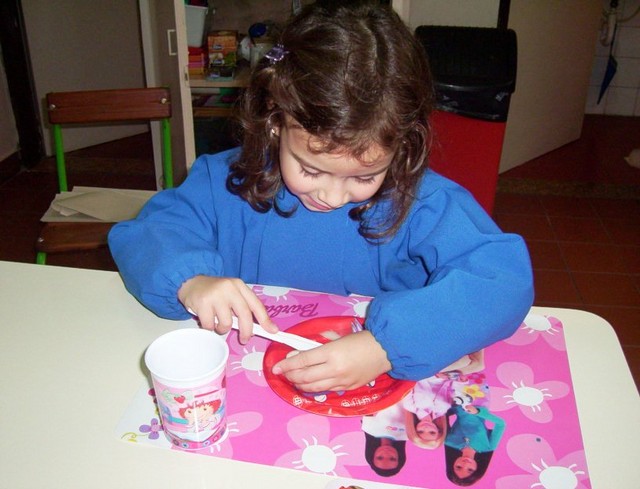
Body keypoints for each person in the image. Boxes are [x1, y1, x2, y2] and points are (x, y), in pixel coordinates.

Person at [108, 0, 533, 392]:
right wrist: (191, 279)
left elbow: (504, 283)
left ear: (402, 146)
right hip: (245, 384)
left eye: (364, 176)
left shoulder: (427, 202)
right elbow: (149, 232)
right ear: (276, 121)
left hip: (372, 387)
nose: (331, 196)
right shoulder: (223, 181)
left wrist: (387, 347)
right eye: (310, 169)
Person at [443, 405, 505, 486]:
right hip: (481, 403)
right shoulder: (488, 447)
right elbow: (501, 424)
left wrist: (455, 408)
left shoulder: (448, 441)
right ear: (477, 469)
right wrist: (478, 412)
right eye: (470, 469)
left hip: (459, 402)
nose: (465, 464)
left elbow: (444, 416)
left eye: (458, 467)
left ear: (452, 464)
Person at [361, 403, 408, 477]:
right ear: (399, 456)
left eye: (380, 457)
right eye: (392, 458)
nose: (386, 453)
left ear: (372, 455)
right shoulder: (407, 434)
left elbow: (369, 405)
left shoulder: (368, 428)